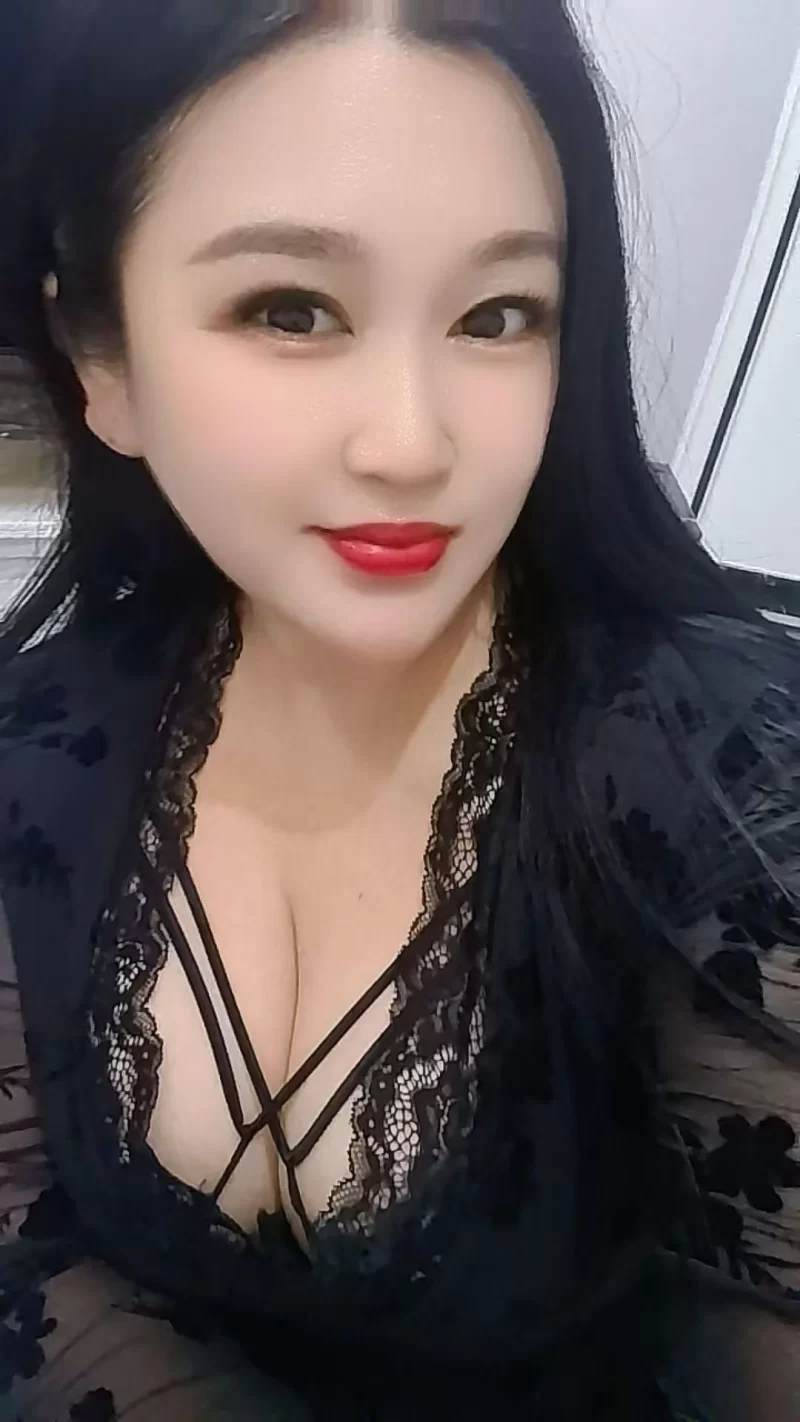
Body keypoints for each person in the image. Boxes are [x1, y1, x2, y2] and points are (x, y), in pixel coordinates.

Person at [0, 2, 797, 1417]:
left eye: (499, 315)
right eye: (291, 309)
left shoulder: (721, 778)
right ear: (100, 361)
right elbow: (32, 1255)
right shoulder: (41, 750)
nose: (414, 442)